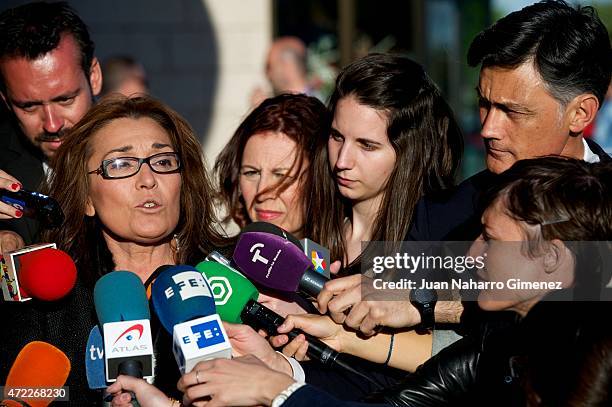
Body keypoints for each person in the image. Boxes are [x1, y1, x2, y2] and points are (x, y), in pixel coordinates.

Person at [109, 157, 610, 407]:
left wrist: (275, 392)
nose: (470, 254)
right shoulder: (507, 337)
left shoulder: (592, 356)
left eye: (488, 238)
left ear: (552, 261)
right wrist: (286, 372)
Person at [316, 0, 612, 337]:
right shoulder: (443, 216)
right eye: (484, 104)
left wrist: (428, 304)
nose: (488, 128)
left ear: (581, 113)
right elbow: (382, 309)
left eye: (512, 111)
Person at [1, 95, 227, 405]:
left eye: (162, 162)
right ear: (87, 199)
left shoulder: (228, 279)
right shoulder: (53, 302)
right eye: (120, 164)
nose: (148, 180)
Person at [0, 1, 102, 249]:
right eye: (29, 106)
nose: (53, 124)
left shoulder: (151, 151)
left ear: (94, 77)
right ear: (5, 100)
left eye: (65, 99)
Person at [215, 93, 328, 238]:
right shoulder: (218, 259)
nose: (262, 191)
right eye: (251, 173)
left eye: (281, 175)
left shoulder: (362, 254)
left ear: (321, 177)